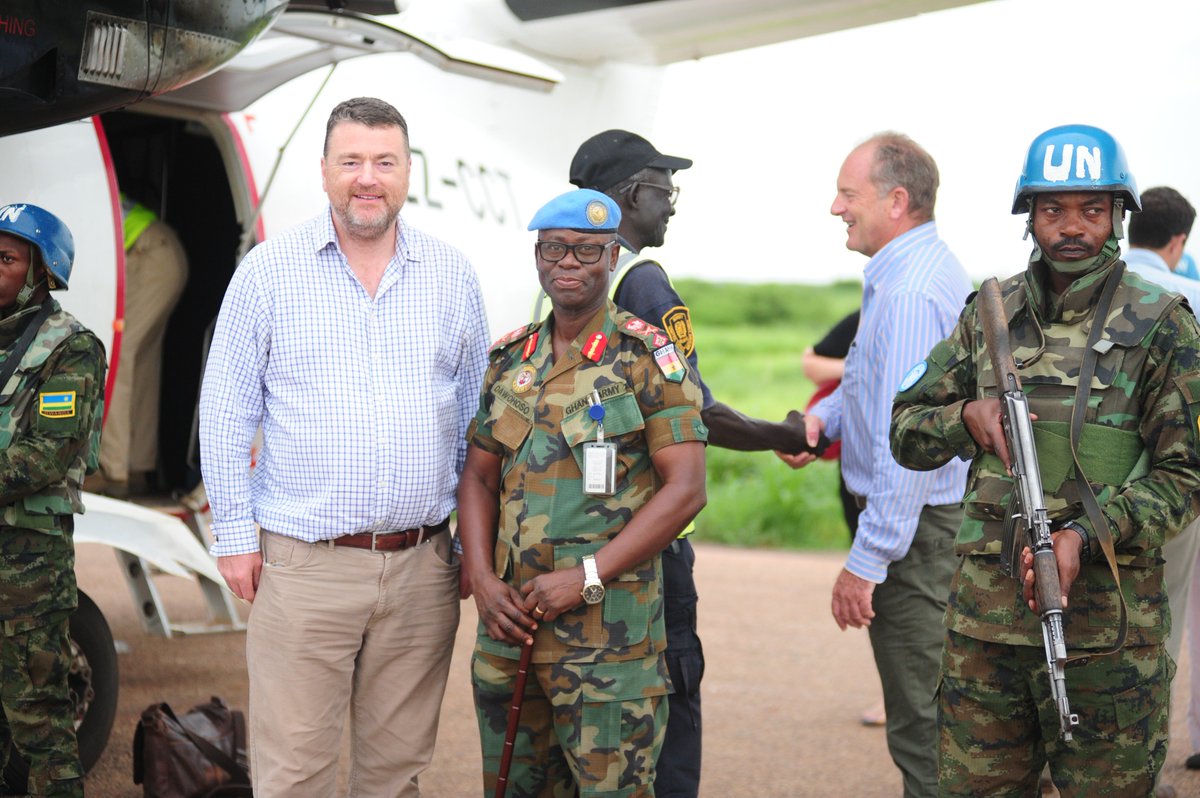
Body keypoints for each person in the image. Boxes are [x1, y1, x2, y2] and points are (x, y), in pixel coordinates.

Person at [890, 124, 1200, 795]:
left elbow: (1187, 477)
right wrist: (965, 420)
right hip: (986, 632)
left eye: (1091, 210)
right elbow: (905, 431)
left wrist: (1085, 535)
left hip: (1108, 634)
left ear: (1120, 215)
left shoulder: (1162, 324)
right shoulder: (990, 314)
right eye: (1053, 209)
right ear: (1028, 216)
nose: (1071, 228)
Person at [198, 97, 489, 797]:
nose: (368, 178)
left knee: (395, 775)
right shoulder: (268, 273)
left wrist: (474, 546)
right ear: (323, 171)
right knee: (294, 772)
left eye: (384, 162)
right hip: (304, 565)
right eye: (351, 161)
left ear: (408, 173)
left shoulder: (452, 276)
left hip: (423, 568)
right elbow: (226, 410)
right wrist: (234, 535)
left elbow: (481, 426)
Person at [564, 129, 813, 797]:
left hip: (578, 533)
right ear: (626, 196)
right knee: (673, 697)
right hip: (650, 541)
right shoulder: (641, 282)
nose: (672, 203)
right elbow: (694, 410)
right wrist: (780, 435)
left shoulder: (565, 276)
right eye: (663, 189)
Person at [458, 188, 708, 797]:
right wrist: (484, 581)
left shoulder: (647, 356)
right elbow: (478, 476)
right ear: (538, 255)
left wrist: (587, 576)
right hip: (511, 634)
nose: (568, 262)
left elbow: (686, 491)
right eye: (554, 248)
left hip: (607, 649)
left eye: (587, 250)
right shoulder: (510, 359)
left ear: (614, 257)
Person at [778, 132, 971, 798]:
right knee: (927, 713)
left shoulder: (911, 292)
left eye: (847, 193)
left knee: (924, 722)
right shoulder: (898, 274)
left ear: (896, 199)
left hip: (917, 536)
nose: (835, 207)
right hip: (917, 530)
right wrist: (820, 423)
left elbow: (911, 448)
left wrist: (868, 558)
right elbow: (870, 380)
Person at [0, 203, 105, 798]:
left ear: (43, 273)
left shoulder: (71, 349)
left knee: (39, 726)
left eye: (7, 258)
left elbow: (42, 458)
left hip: (28, 574)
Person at [1124, 185, 1200, 785]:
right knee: (1164, 620)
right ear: (1179, 241)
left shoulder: (1093, 293)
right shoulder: (1191, 298)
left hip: (1084, 486)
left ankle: (1051, 753)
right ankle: (1141, 770)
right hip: (1171, 489)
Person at [94, 193, 188, 496]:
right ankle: (135, 465)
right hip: (165, 252)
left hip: (147, 253)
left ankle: (112, 470)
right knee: (140, 361)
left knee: (118, 357)